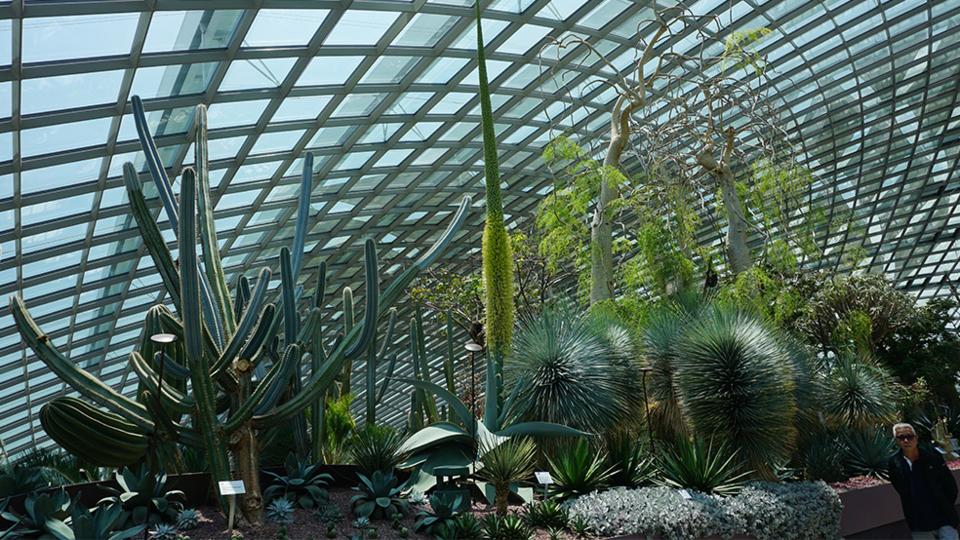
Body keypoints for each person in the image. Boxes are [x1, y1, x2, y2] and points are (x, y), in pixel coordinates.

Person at [887, 423, 959, 539]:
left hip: (944, 518)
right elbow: (901, 490)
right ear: (896, 441)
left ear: (916, 438)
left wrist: (946, 506)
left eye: (909, 436)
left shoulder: (932, 457)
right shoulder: (894, 463)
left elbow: (950, 486)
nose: (906, 440)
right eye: (901, 437)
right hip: (919, 522)